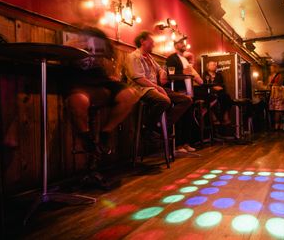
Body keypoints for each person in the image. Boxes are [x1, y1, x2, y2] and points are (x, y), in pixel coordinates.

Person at [64, 27, 139, 166]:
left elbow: (111, 67)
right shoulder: (71, 41)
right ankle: (87, 139)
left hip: (103, 82)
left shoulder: (101, 41)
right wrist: (72, 48)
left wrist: (108, 65)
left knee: (130, 95)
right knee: (78, 100)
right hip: (80, 83)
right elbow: (64, 62)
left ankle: (106, 132)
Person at [125, 31, 192, 151]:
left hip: (153, 88)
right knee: (164, 101)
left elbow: (160, 68)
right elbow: (138, 79)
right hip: (140, 89)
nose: (153, 45)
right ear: (142, 41)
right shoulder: (133, 56)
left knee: (186, 100)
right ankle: (148, 128)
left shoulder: (149, 58)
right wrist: (159, 87)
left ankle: (160, 126)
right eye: (151, 42)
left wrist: (162, 73)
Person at [166, 36, 202, 152]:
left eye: (184, 42)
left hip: (188, 91)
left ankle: (186, 143)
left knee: (188, 118)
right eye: (181, 43)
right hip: (178, 90)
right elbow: (169, 73)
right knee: (180, 119)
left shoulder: (185, 59)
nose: (184, 44)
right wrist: (183, 72)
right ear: (176, 45)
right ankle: (178, 145)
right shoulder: (172, 58)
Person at [203, 61, 232, 125]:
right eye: (213, 65)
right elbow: (203, 85)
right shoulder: (204, 74)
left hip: (219, 92)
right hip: (208, 93)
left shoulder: (219, 75)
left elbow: (222, 86)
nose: (215, 66)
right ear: (208, 66)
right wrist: (214, 87)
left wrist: (217, 87)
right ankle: (215, 117)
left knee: (227, 97)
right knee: (212, 99)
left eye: (215, 65)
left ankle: (225, 115)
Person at [268, 63, 284, 130]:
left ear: (275, 68)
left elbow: (279, 83)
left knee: (279, 110)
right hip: (273, 93)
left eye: (272, 68)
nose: (271, 69)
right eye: (271, 68)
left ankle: (280, 125)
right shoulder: (270, 76)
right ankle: (278, 125)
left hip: (278, 93)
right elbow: (269, 85)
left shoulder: (279, 75)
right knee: (276, 110)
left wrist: (272, 84)